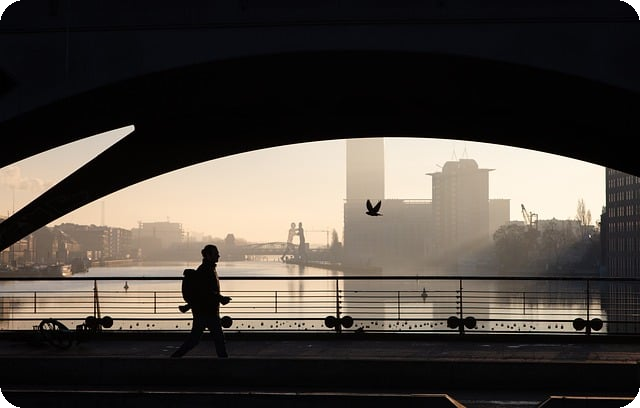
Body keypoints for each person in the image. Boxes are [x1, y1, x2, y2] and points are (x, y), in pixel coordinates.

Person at [171, 244, 231, 358]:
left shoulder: (207, 269)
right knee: (217, 340)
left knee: (196, 340)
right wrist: (221, 298)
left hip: (204, 311)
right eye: (216, 253)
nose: (218, 255)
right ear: (208, 255)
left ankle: (175, 358)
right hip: (207, 311)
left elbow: (205, 292)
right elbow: (206, 292)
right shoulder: (206, 270)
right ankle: (224, 363)